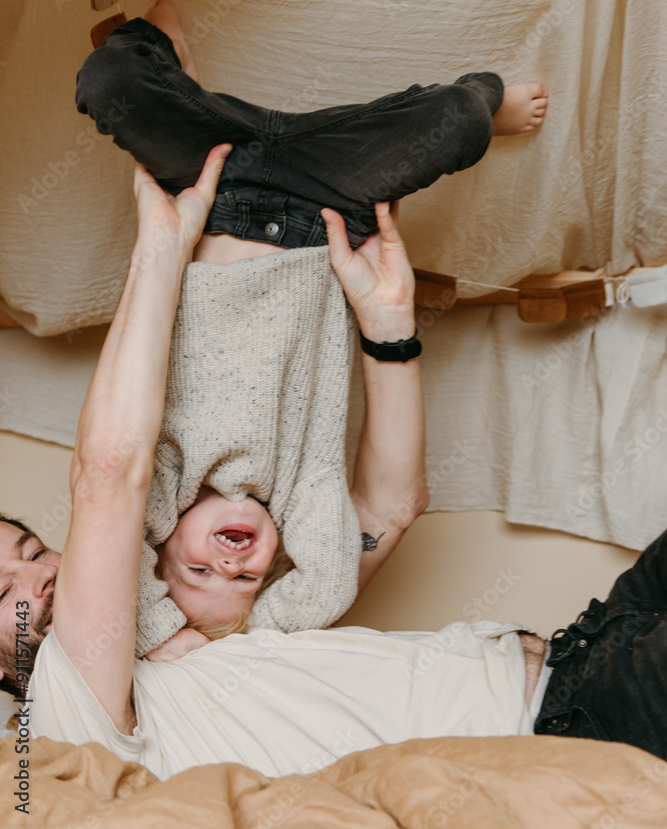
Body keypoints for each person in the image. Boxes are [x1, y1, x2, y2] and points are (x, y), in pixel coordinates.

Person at [1, 160, 666, 774]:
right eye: (3, 594)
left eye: (30, 549)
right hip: (578, 714)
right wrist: (160, 252)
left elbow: (388, 510)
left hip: (585, 643)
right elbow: (110, 473)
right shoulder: (65, 726)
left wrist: (388, 325)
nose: (41, 575)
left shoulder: (220, 628)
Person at [73, 0, 549, 657]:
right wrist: (259, 631)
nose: (230, 563)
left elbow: (116, 569)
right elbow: (325, 585)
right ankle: (481, 103)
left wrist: (165, 643)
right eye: (246, 580)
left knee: (107, 82)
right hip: (326, 206)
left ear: (160, 553)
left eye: (198, 571)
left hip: (211, 183)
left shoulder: (157, 480)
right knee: (453, 122)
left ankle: (162, 49)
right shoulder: (305, 498)